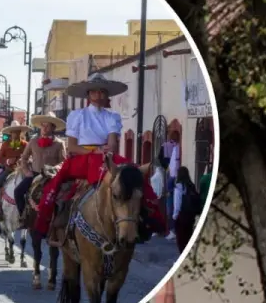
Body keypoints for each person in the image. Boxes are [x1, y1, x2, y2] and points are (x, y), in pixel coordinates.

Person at [32, 73, 167, 239]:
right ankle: (45, 224)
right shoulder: (77, 116)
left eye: (102, 92)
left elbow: (112, 144)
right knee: (54, 184)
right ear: (88, 95)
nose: (99, 96)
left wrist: (104, 151)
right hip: (82, 157)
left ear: (107, 95)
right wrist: (92, 151)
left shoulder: (112, 117)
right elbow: (73, 146)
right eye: (94, 92)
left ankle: (149, 220)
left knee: (134, 174)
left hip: (105, 156)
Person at [12, 114, 66, 216]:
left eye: (47, 126)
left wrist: (55, 169)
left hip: (52, 176)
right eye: (43, 125)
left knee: (63, 197)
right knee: (18, 192)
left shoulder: (59, 143)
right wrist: (27, 172)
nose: (44, 128)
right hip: (35, 174)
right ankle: (23, 216)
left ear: (53, 127)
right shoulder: (33, 141)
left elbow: (64, 161)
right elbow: (24, 158)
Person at [173, 166, 202, 252]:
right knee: (189, 238)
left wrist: (174, 216)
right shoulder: (191, 185)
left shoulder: (179, 186)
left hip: (181, 216)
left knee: (181, 240)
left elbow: (177, 203)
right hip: (191, 215)